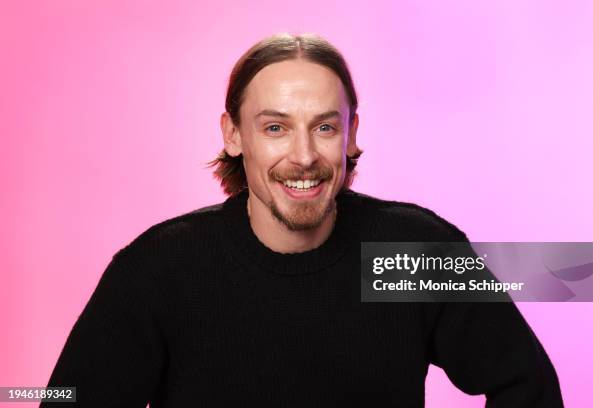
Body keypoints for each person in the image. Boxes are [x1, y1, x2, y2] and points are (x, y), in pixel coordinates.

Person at [43, 33, 564, 407]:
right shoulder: (158, 269)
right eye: (274, 127)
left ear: (351, 133)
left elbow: (528, 386)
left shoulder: (414, 250)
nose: (303, 156)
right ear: (233, 135)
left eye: (324, 127)